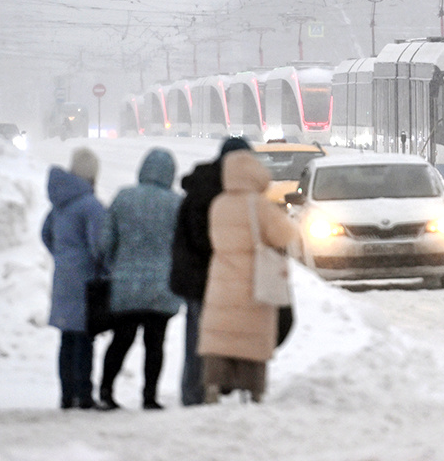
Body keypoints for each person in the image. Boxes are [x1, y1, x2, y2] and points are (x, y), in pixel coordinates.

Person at [198, 149, 298, 403]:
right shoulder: (259, 205)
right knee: (251, 339)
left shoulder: (218, 204)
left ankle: (213, 387)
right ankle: (253, 390)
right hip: (253, 282)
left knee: (220, 338)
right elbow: (285, 234)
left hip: (221, 281)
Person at [97, 148, 183, 411]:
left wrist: (113, 265)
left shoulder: (124, 197)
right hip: (161, 286)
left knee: (121, 339)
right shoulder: (175, 203)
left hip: (127, 284)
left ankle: (106, 390)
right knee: (155, 343)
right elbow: (181, 244)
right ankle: (149, 396)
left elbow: (105, 241)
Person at [170, 136, 252, 406]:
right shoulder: (213, 190)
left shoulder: (207, 185)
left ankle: (204, 389)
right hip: (202, 276)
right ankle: (196, 393)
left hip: (202, 274)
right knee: (202, 336)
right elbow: (202, 238)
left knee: (202, 336)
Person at [42, 147, 106, 410]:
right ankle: (84, 395)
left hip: (63, 277)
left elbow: (45, 234)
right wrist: (104, 268)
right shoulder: (90, 205)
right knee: (84, 339)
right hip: (85, 280)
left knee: (67, 338)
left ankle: (67, 395)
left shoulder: (60, 204)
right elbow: (100, 245)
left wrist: (62, 255)